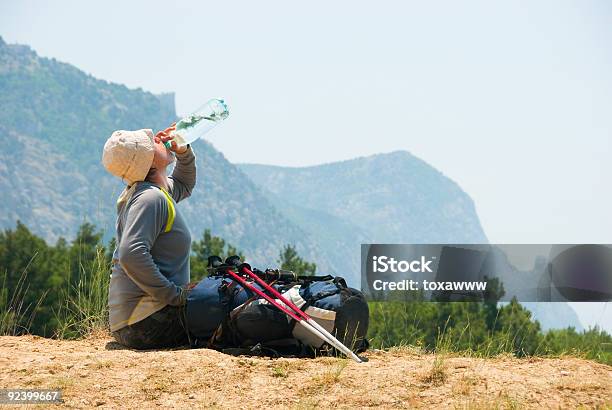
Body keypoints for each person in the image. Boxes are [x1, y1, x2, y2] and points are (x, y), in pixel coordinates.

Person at [101, 124, 196, 349]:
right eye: (153, 142)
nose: (159, 139)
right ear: (150, 161)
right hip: (146, 323)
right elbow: (131, 254)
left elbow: (184, 184)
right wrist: (175, 296)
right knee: (226, 310)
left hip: (138, 321)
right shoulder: (150, 199)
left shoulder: (154, 192)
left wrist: (183, 152)